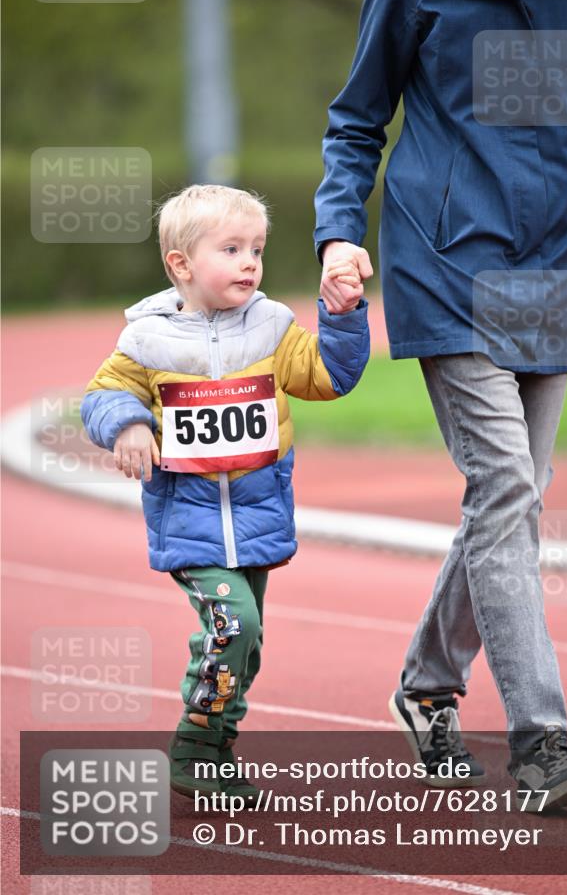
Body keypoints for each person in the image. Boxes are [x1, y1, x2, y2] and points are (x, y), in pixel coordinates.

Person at [315, 0, 567, 811]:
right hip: (444, 255)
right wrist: (335, 233)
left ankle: (426, 685)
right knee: (506, 486)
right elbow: (357, 119)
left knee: (511, 497)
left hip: (549, 257)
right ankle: (541, 742)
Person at [81, 184, 369, 800]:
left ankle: (215, 747)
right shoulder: (147, 338)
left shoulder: (272, 325)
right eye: (232, 249)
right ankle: (191, 748)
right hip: (189, 522)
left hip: (259, 516)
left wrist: (342, 313)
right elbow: (102, 395)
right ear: (181, 265)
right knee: (232, 622)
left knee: (246, 641)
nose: (249, 263)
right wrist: (128, 423)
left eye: (257, 250)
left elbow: (329, 376)